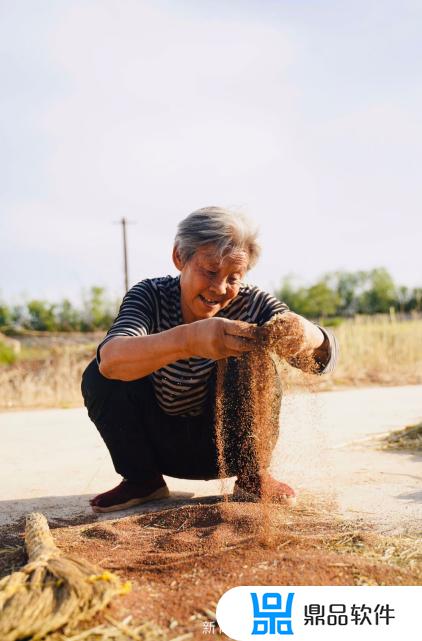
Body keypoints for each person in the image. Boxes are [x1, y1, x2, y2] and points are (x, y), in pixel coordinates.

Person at [81, 207, 337, 513]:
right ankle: (142, 480)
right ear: (180, 258)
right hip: (159, 446)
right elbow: (111, 359)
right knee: (97, 374)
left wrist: (310, 335)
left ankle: (253, 475)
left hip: (228, 448)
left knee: (251, 356)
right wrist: (189, 340)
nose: (219, 288)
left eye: (233, 277)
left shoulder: (252, 303)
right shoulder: (149, 295)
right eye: (210, 271)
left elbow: (322, 359)